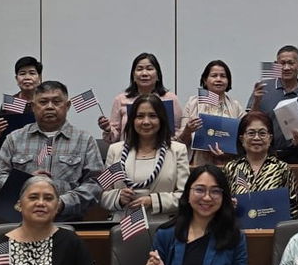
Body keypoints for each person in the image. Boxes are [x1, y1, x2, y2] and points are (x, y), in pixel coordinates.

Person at [0, 82, 106, 222]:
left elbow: (96, 183)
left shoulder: (84, 140)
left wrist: (63, 203)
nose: (50, 107)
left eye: (56, 102)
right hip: (21, 222)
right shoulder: (15, 138)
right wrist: (26, 182)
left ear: (67, 106)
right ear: (33, 107)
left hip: (67, 221)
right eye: (43, 102)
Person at [101, 94, 191, 226]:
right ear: (132, 120)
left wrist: (152, 201)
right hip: (124, 226)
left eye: (153, 116)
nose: (146, 121)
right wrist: (119, 197)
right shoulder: (115, 151)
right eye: (140, 116)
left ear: (161, 120)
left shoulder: (177, 151)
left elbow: (186, 196)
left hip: (164, 226)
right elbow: (103, 195)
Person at [247, 45, 298, 164]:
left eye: (291, 63)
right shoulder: (263, 89)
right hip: (264, 154)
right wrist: (256, 101)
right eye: (282, 63)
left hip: (295, 156)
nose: (286, 67)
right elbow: (248, 122)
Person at [221, 111, 298, 218]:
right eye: (251, 133)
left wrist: (278, 222)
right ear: (241, 139)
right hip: (237, 231)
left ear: (270, 138)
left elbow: (295, 206)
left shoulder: (282, 169)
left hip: (273, 232)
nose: (256, 138)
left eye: (262, 133)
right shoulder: (230, 168)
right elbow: (220, 201)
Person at [177, 60, 246, 167]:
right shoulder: (192, 103)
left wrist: (226, 153)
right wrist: (188, 130)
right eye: (214, 75)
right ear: (205, 80)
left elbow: (244, 137)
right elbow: (180, 143)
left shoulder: (235, 106)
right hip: (197, 164)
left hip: (226, 164)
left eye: (223, 76)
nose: (218, 79)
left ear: (228, 81)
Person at [101, 52, 180, 144]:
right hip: (129, 153)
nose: (144, 73)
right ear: (133, 76)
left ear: (158, 75)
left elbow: (178, 131)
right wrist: (108, 129)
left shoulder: (170, 98)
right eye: (139, 69)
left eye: (149, 69)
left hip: (163, 152)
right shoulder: (121, 99)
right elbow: (113, 138)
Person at [0, 56, 42, 148]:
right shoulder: (11, 103)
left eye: (32, 73)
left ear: (39, 77)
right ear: (16, 79)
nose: (27, 77)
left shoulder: (47, 103)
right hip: (15, 156)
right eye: (22, 74)